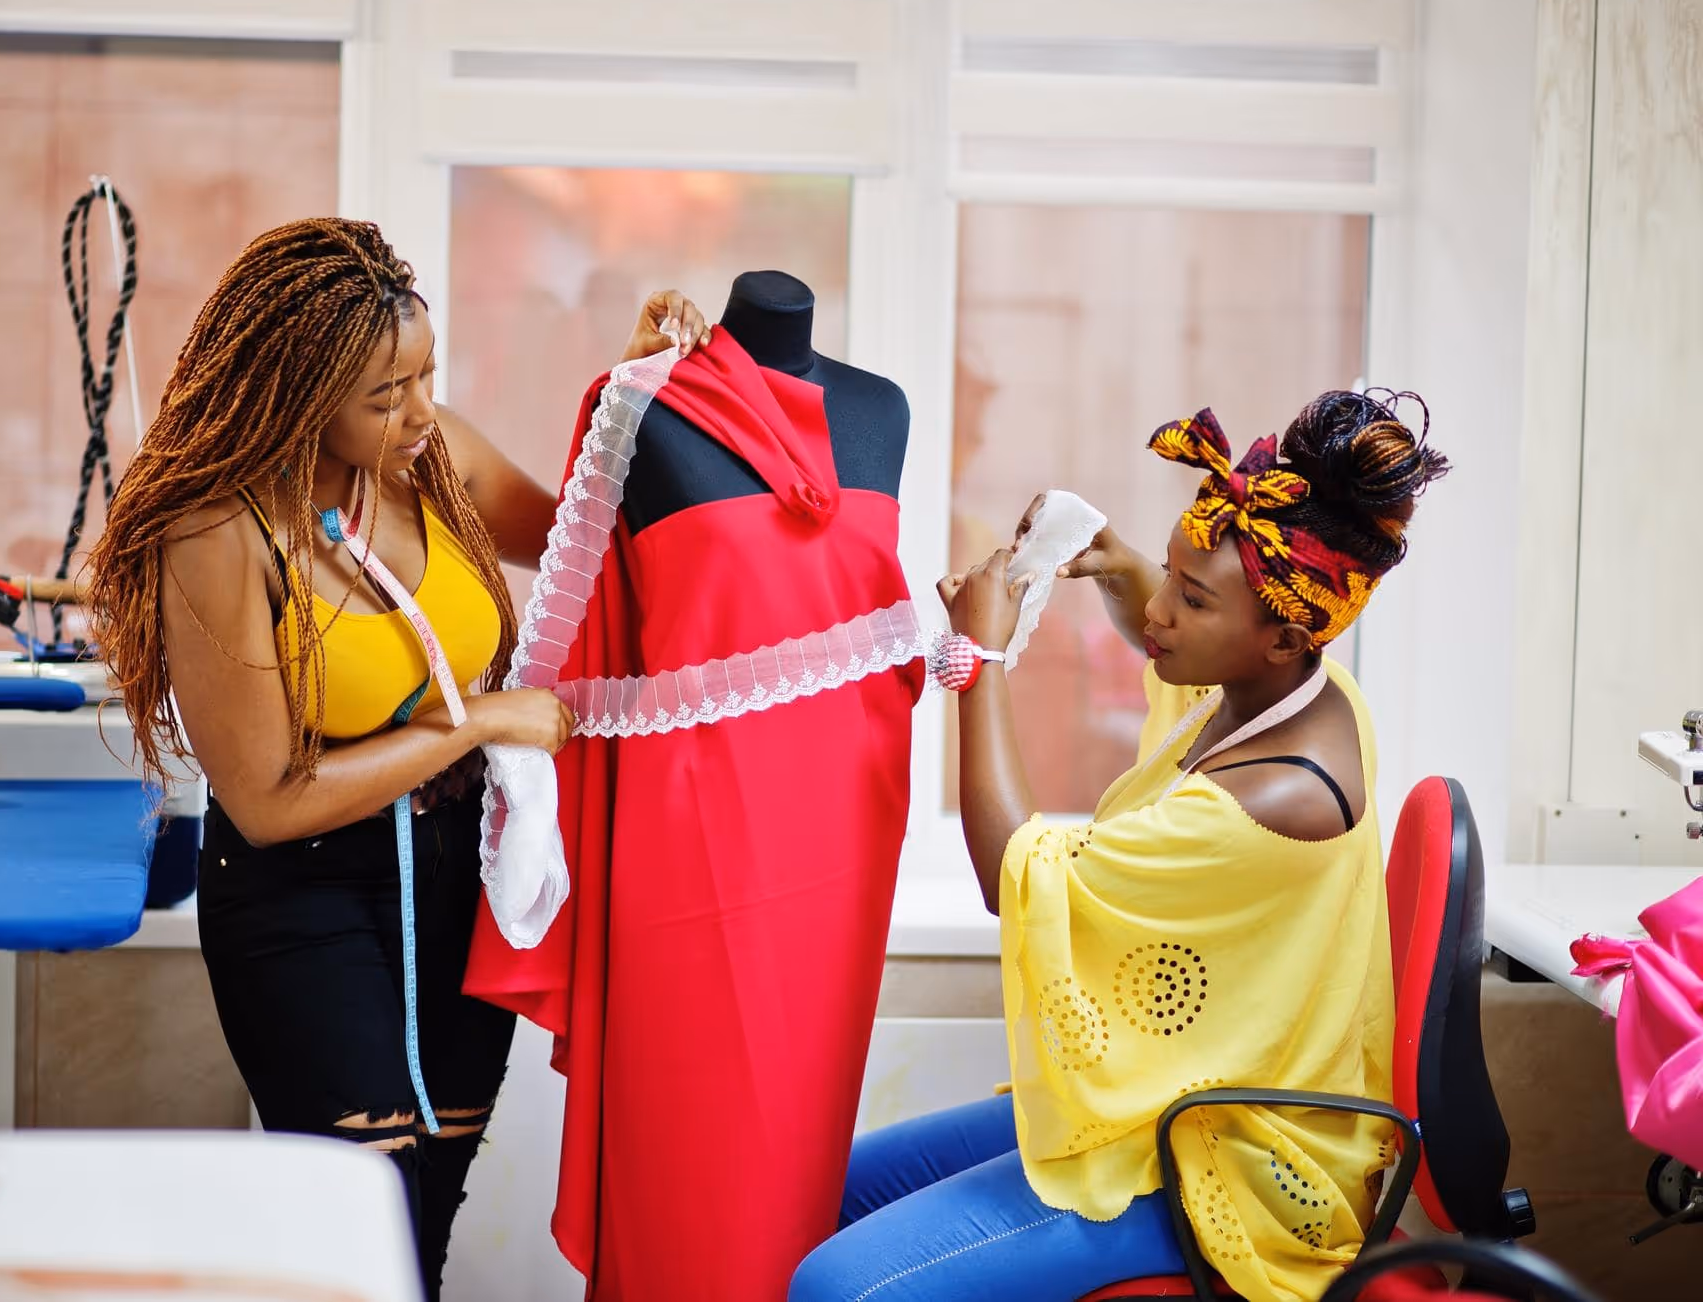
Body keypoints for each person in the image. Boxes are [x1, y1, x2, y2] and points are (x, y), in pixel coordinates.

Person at [87, 217, 709, 1298]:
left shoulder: (432, 458)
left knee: (425, 1214)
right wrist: (468, 723)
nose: (420, 413)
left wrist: (634, 388)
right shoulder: (217, 533)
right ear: (293, 392)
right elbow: (272, 801)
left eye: (426, 377)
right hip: (301, 894)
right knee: (356, 1231)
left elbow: (581, 532)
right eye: (384, 396)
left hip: (456, 875)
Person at [790, 391, 1450, 1302]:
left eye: (1191, 596)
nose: (1162, 615)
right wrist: (1116, 562)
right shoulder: (1311, 690)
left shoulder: (1266, 801)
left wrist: (978, 664)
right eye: (1173, 579)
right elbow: (1193, 643)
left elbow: (1011, 870)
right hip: (1175, 1106)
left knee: (835, 1287)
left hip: (1227, 1163)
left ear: (1283, 637)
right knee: (822, 1193)